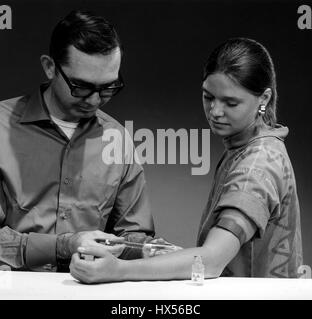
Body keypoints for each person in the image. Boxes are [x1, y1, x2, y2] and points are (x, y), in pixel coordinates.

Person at [69, 38, 303, 282]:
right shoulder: (253, 147)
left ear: (264, 99)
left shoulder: (258, 164)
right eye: (208, 97)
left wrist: (117, 270)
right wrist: (168, 257)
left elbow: (211, 261)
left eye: (230, 102)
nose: (215, 111)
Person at [0, 10, 156, 272]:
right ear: (50, 67)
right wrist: (63, 246)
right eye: (81, 87)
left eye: (108, 87)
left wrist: (144, 249)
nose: (95, 100)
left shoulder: (117, 138)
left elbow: (133, 234)